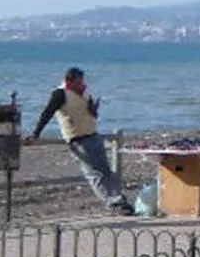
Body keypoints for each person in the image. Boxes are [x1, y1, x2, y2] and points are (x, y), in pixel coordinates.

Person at [27, 66, 135, 214]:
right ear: (68, 81)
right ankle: (113, 203)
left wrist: (93, 110)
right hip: (77, 139)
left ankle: (118, 199)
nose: (81, 84)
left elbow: (91, 114)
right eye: (78, 82)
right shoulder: (59, 94)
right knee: (94, 173)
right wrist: (36, 134)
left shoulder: (85, 93)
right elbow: (47, 113)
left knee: (106, 171)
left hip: (93, 135)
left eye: (81, 81)